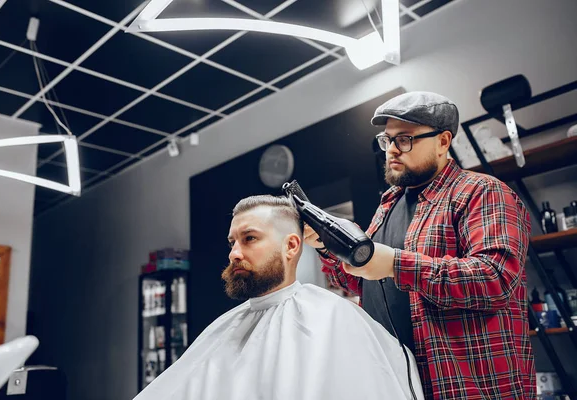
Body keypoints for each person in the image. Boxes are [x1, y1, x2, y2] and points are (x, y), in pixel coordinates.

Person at [304, 91, 535, 399]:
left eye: (405, 139)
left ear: (443, 141)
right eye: (387, 140)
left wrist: (393, 264)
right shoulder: (388, 205)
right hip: (398, 384)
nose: (391, 151)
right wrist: (326, 245)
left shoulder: (481, 192)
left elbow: (495, 278)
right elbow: (365, 283)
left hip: (468, 387)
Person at [134, 195, 424, 400]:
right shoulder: (224, 327)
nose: (234, 253)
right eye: (232, 242)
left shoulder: (333, 319)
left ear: (292, 245)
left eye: (249, 238)